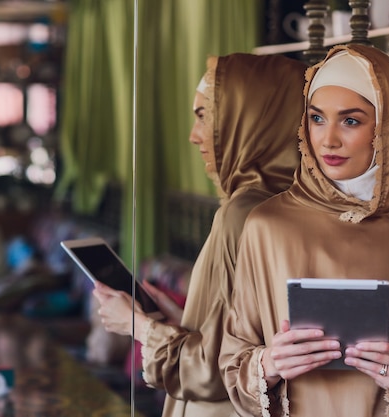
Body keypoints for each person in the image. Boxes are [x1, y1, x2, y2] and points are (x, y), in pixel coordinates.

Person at [219, 44, 389, 417]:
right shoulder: (266, 226)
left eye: (351, 121)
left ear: (387, 126)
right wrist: (270, 364)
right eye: (317, 118)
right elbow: (232, 364)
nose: (328, 139)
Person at [92, 52, 308, 417]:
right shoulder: (294, 206)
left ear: (249, 121)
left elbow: (213, 371)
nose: (194, 136)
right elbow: (244, 341)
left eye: (206, 116)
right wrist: (183, 319)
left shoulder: (244, 213)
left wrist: (140, 327)